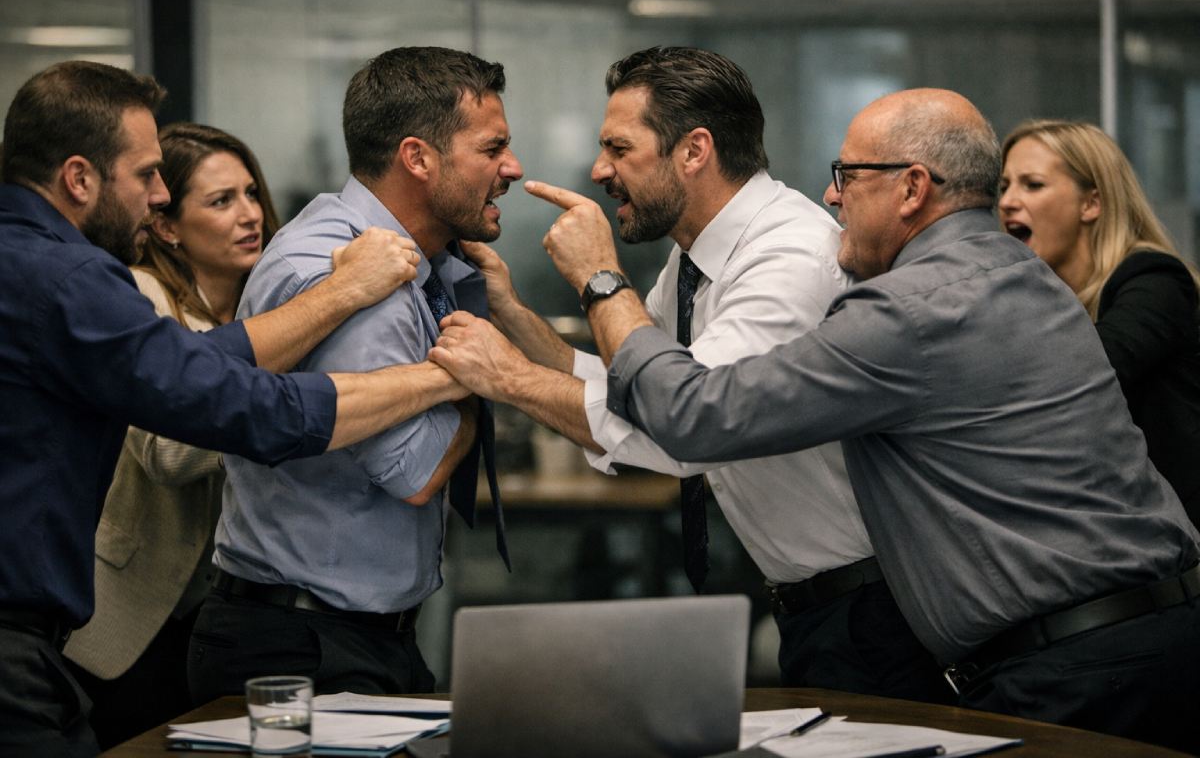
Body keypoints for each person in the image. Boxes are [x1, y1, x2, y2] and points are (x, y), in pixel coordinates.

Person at [436, 87, 1200, 752]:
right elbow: (641, 386)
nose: (831, 197)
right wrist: (519, 321)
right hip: (1149, 636)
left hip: (1070, 667)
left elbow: (694, 417)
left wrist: (601, 282)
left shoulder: (904, 309)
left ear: (911, 189)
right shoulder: (1015, 274)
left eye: (848, 177)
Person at [430, 46, 948, 701]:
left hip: (875, 609)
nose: (599, 170)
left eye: (619, 148)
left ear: (694, 151)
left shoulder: (787, 260)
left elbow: (681, 427)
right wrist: (512, 314)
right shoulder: (696, 257)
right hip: (822, 606)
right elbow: (635, 387)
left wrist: (580, 298)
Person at [0, 60, 468, 757]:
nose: (159, 196)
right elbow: (242, 408)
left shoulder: (24, 261)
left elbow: (195, 364)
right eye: (147, 175)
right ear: (78, 178)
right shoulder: (68, 276)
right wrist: (451, 378)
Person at [186, 46, 524, 704]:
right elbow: (416, 471)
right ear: (417, 159)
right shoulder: (355, 270)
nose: (512, 167)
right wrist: (485, 383)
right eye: (492, 149)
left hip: (350, 636)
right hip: (301, 647)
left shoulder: (424, 263)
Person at [62, 123, 289, 749]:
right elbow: (171, 454)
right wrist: (277, 390)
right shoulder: (142, 297)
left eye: (250, 193)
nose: (250, 216)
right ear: (166, 225)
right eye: (221, 201)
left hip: (214, 610)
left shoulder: (259, 306)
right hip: (127, 611)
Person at [999, 119, 1200, 526]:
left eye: (1032, 185)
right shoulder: (1045, 301)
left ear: (1091, 204)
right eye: (1004, 186)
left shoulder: (1153, 278)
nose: (1006, 201)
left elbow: (1089, 371)